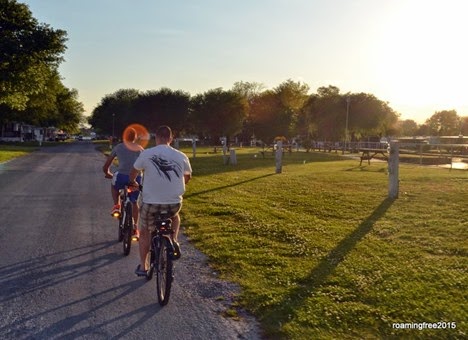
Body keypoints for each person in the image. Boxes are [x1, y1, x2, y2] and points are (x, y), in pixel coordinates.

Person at [129, 125, 192, 276]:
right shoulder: (181, 155)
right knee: (175, 216)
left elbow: (133, 172)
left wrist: (133, 182)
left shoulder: (147, 153)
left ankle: (143, 267)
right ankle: (174, 239)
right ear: (171, 138)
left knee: (144, 231)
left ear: (156, 138)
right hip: (174, 203)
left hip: (151, 203)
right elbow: (187, 177)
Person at [102, 128, 143, 235]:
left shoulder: (118, 147)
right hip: (136, 178)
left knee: (114, 186)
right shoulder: (140, 149)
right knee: (134, 202)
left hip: (121, 176)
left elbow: (106, 166)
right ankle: (135, 227)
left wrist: (107, 174)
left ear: (124, 137)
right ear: (135, 138)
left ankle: (116, 206)